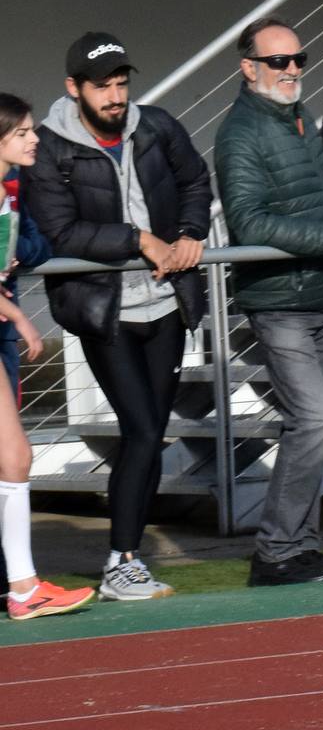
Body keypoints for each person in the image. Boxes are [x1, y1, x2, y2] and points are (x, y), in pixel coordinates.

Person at [22, 32, 213, 603]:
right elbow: (62, 232)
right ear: (73, 89)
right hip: (104, 311)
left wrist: (189, 235)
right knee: (143, 429)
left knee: (149, 437)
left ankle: (125, 561)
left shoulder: (157, 126)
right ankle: (121, 562)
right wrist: (140, 240)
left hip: (167, 305)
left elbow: (195, 182)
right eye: (101, 86)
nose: (114, 95)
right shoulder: (51, 147)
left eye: (120, 83)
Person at [215, 18, 323, 587]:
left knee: (305, 428)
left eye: (297, 59)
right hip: (279, 302)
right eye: (278, 61)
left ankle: (300, 548)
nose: (292, 70)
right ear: (248, 67)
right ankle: (275, 552)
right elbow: (248, 222)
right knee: (315, 421)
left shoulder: (301, 119)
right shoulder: (240, 134)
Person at [0, 92, 96, 623]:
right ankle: (22, 588)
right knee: (14, 457)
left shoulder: (10, 195)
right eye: (23, 133)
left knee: (13, 459)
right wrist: (17, 316)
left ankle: (22, 587)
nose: (35, 138)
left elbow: (32, 247)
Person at [1, 106, 52, 400]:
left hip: (5, 330)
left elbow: (41, 245)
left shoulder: (16, 185)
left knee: (12, 442)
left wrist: (13, 248)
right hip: (8, 317)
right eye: (22, 133)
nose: (34, 139)